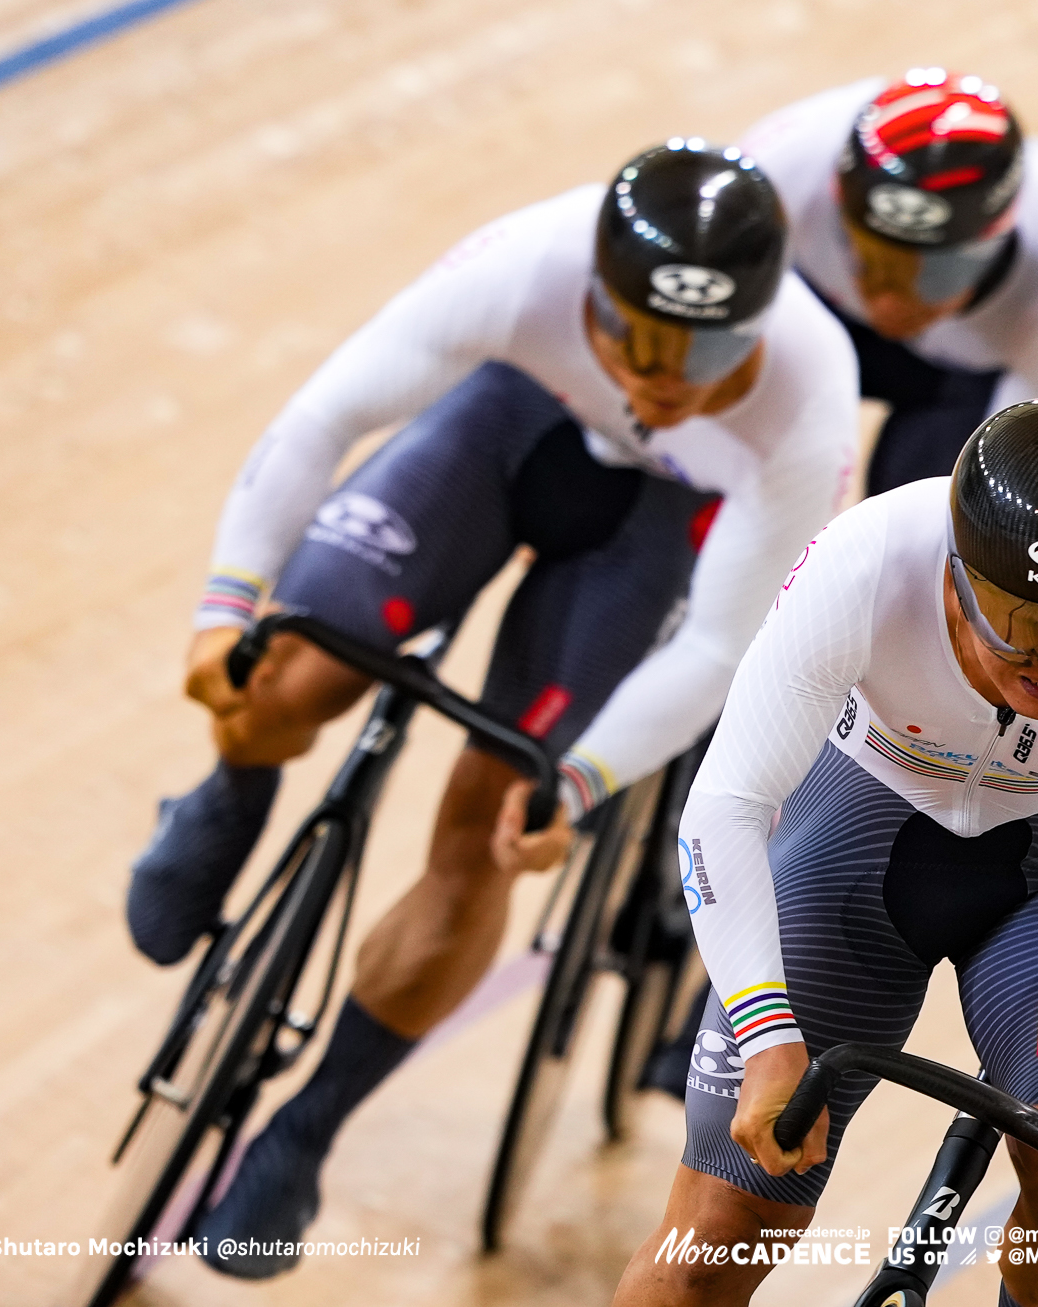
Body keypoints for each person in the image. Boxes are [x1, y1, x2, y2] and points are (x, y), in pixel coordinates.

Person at [124, 139, 857, 1279]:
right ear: (593, 296)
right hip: (507, 428)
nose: (668, 375)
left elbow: (719, 642)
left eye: (709, 349)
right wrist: (227, 603)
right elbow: (324, 417)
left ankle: (305, 1126)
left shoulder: (810, 389)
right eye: (641, 336)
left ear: (761, 325)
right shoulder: (530, 260)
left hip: (645, 530)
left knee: (490, 829)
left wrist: (581, 779)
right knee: (288, 674)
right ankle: (229, 790)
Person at [503, 398, 1038, 1305]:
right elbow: (727, 806)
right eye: (1022, 621)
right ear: (955, 575)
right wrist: (765, 1030)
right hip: (855, 831)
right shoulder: (867, 559)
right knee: (716, 1231)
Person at [738, 68, 1038, 496]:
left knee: (942, 522)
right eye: (866, 256)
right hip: (816, 312)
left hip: (957, 381)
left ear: (996, 241)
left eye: (934, 275)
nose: (886, 303)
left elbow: (1028, 468)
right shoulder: (790, 159)